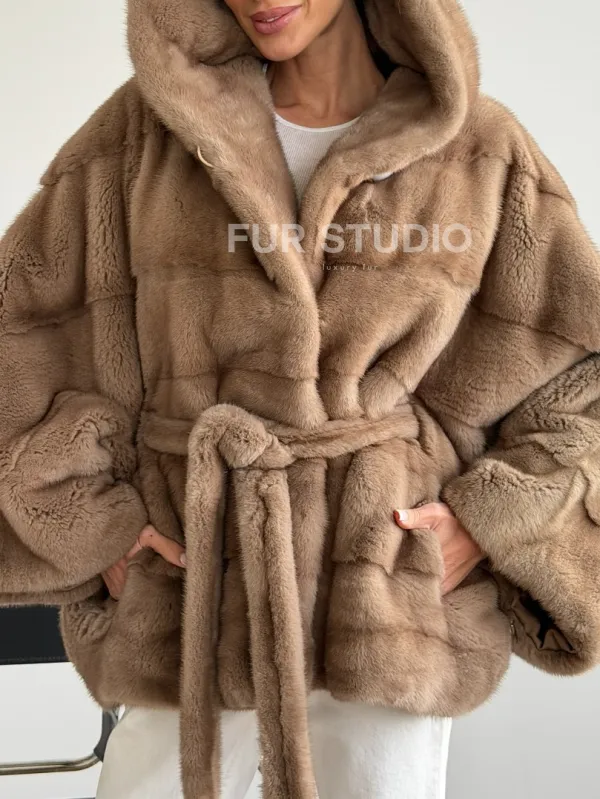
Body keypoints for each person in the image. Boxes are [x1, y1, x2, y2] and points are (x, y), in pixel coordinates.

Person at [1, 0, 599, 797]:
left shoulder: (478, 149)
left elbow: (579, 374)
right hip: (192, 602)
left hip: (384, 606)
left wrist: (489, 522)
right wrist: (97, 527)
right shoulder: (144, 133)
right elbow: (22, 335)